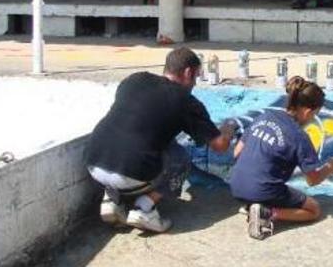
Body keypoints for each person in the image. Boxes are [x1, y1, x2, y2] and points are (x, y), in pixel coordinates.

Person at [85, 47, 235, 233]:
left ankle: (111, 199)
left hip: (93, 161)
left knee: (132, 142)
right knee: (180, 157)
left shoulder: (135, 79)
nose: (194, 83)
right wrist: (229, 128)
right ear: (188, 72)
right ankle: (144, 209)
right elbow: (219, 145)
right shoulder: (186, 102)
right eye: (195, 77)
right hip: (129, 173)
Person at [229, 76, 333, 240]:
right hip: (262, 190)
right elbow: (312, 180)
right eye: (315, 114)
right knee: (314, 210)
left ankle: (252, 206)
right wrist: (331, 168)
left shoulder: (265, 116)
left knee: (265, 188)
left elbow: (237, 152)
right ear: (308, 111)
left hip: (236, 186)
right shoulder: (299, 136)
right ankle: (267, 213)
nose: (313, 119)